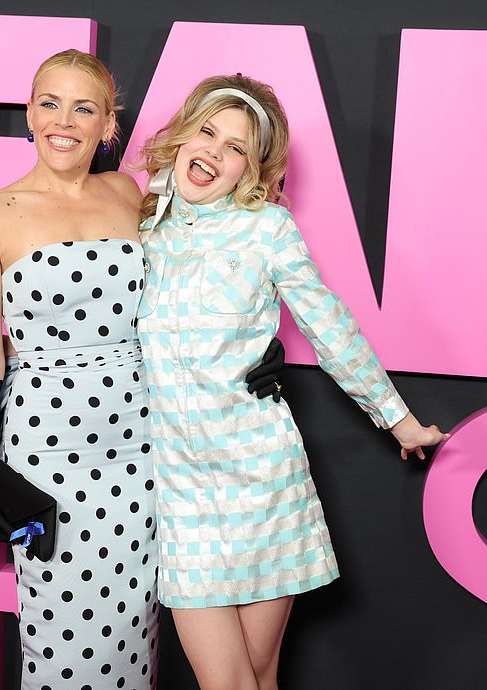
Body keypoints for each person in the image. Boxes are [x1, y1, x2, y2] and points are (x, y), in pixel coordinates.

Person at [129, 74, 449, 690]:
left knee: (259, 677)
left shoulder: (266, 229)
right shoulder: (141, 228)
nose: (214, 154)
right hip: (178, 492)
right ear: (183, 135)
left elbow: (328, 324)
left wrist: (395, 415)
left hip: (263, 479)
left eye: (236, 149)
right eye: (208, 132)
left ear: (252, 171)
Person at [0, 49, 161, 690]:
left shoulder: (128, 194)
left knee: (137, 632)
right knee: (66, 642)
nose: (64, 120)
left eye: (84, 108)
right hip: (51, 450)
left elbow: (179, 298)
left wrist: (255, 345)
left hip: (146, 444)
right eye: (50, 103)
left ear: (107, 127)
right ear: (31, 115)